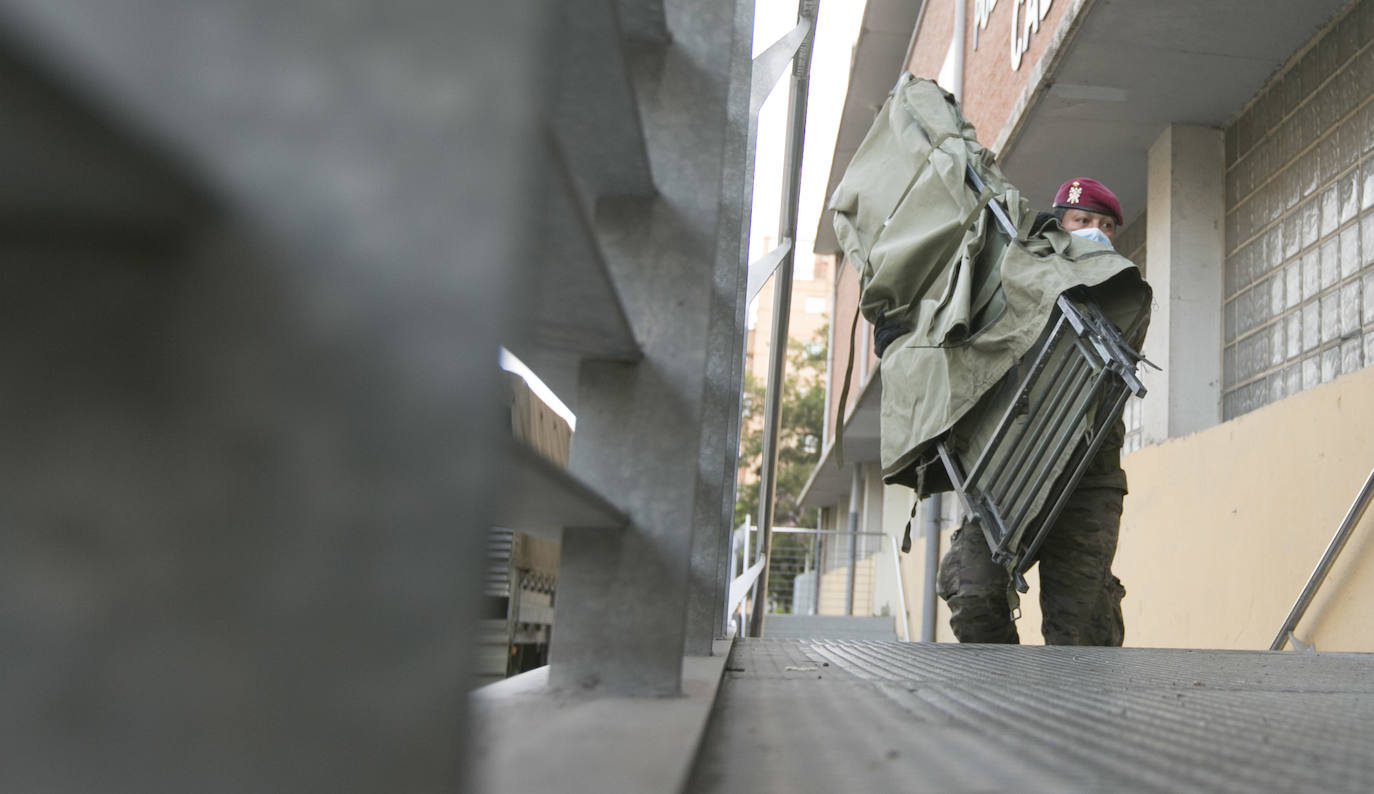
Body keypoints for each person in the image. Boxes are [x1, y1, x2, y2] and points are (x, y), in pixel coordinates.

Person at [935, 176, 1138, 646]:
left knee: (1080, 630)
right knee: (973, 593)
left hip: (1086, 479)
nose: (1096, 232)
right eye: (1082, 221)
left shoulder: (1125, 293)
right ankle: (1006, 686)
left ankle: (1068, 694)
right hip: (1011, 468)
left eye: (1106, 225)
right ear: (1058, 227)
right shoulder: (1018, 278)